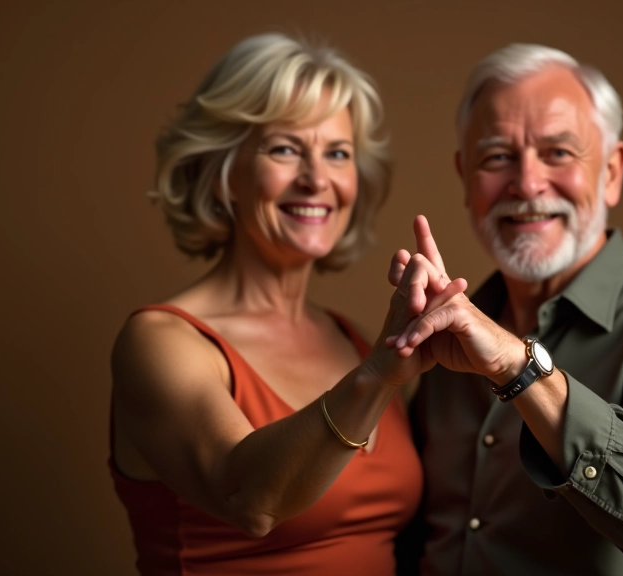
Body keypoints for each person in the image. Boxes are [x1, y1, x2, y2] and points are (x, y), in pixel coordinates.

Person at [107, 33, 466, 575]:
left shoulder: (356, 338)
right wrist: (377, 374)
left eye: (337, 154)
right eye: (284, 149)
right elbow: (251, 501)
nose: (316, 179)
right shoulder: (160, 342)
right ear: (222, 170)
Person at [388, 44, 623, 575]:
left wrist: (521, 369)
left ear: (611, 171)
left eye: (558, 153)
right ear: (466, 177)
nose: (528, 184)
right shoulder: (447, 332)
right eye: (497, 157)